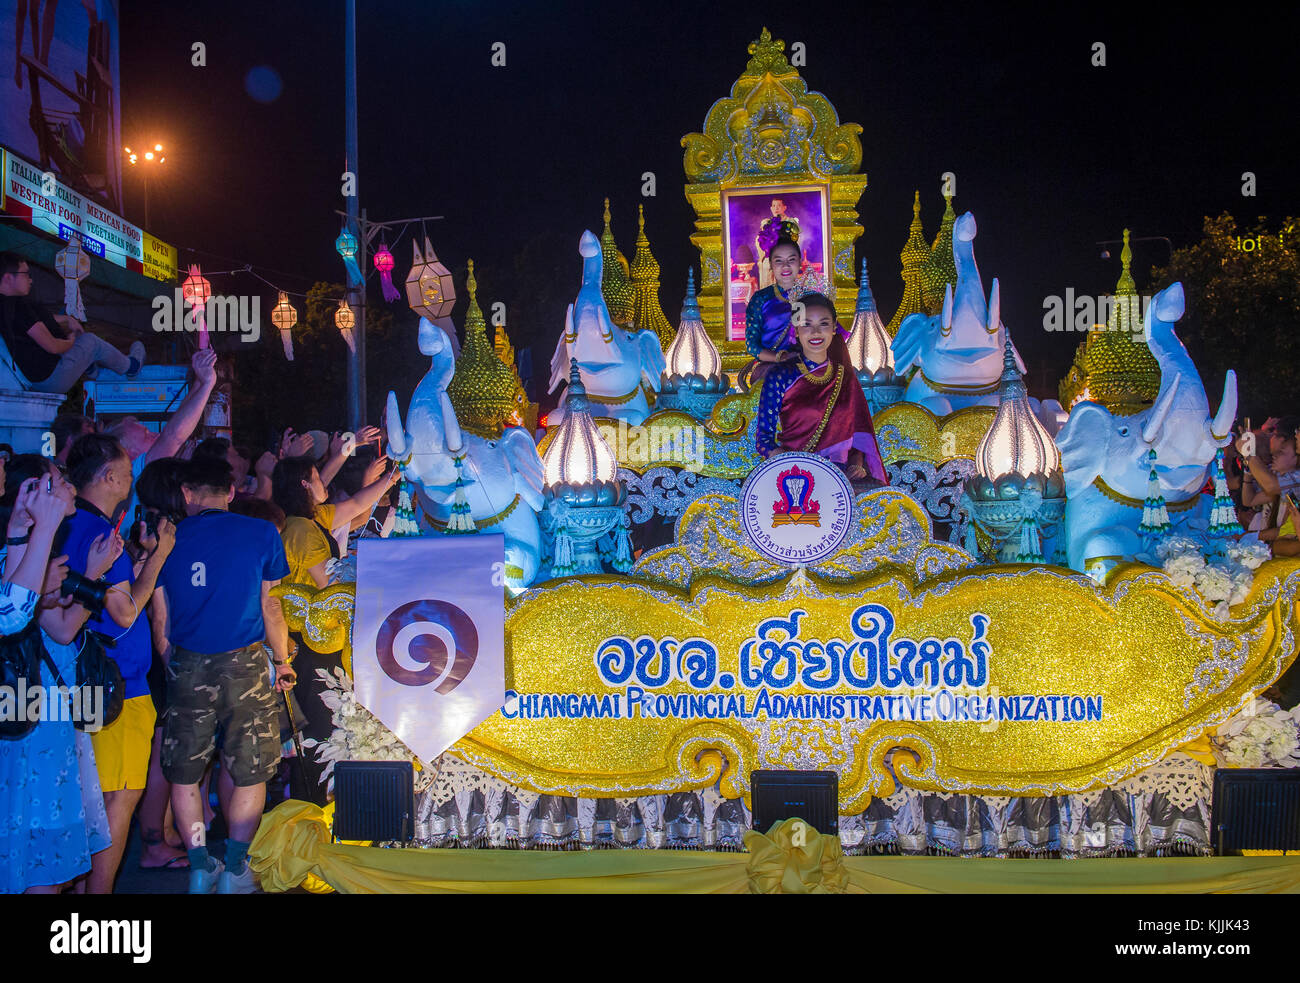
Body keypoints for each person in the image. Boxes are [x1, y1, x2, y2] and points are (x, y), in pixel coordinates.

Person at [156, 456, 294, 894]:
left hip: (186, 660)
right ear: (231, 492)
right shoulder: (261, 533)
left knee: (185, 772)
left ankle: (199, 863)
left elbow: (160, 618)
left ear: (187, 494)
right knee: (251, 768)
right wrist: (283, 659)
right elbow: (270, 605)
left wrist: (172, 664)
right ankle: (236, 868)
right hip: (245, 663)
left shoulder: (168, 538)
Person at [0, 455, 120, 893]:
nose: (67, 488)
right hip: (32, 716)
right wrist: (92, 574)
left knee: (40, 856)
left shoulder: (25, 549)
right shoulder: (30, 555)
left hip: (45, 712)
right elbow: (29, 619)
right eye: (57, 482)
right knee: (38, 853)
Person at [62, 433, 176, 893]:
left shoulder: (68, 525)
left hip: (83, 678)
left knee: (90, 794)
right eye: (127, 474)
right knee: (119, 795)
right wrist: (161, 556)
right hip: (117, 686)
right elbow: (126, 612)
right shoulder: (96, 531)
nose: (131, 483)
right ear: (109, 477)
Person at [755, 292, 887, 485]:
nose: (816, 332)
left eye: (823, 324)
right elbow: (763, 441)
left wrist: (856, 461)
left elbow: (857, 431)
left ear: (834, 328)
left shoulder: (845, 377)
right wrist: (790, 463)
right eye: (806, 324)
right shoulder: (780, 376)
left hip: (839, 478)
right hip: (793, 476)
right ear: (796, 330)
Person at [0, 253, 146, 393]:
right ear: (7, 278)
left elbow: (35, 321)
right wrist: (71, 342)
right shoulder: (20, 307)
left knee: (79, 340)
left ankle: (90, 367)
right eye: (25, 274)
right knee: (90, 341)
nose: (30, 280)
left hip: (36, 377)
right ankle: (130, 367)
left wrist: (66, 319)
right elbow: (53, 346)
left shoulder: (9, 305)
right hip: (50, 379)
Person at [272, 450, 397, 588]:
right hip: (313, 607)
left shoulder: (316, 515)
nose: (323, 484)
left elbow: (357, 505)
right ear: (305, 484)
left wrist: (394, 475)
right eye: (318, 478)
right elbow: (328, 585)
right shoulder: (300, 530)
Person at [744, 230, 804, 384]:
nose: (785, 266)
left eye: (791, 259)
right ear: (770, 264)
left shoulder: (812, 297)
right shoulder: (761, 299)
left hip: (806, 364)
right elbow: (751, 345)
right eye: (779, 261)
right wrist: (780, 357)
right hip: (769, 367)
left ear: (800, 261)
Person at [1238, 416, 1300, 558]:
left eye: (1282, 452)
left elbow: (1271, 486)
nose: (1296, 434)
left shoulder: (1296, 478)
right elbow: (1250, 500)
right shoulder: (1285, 481)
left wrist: (1249, 455)